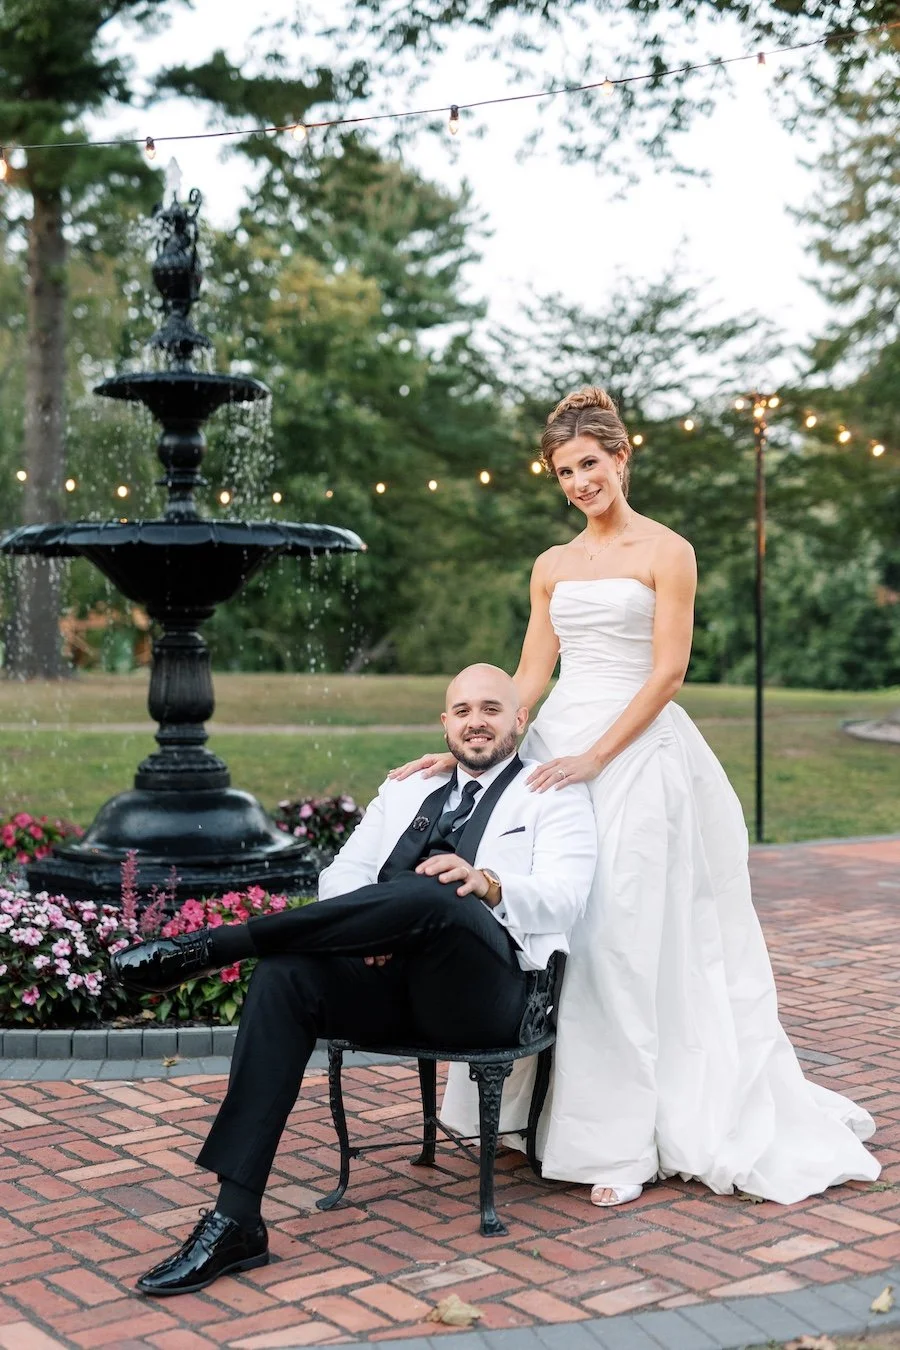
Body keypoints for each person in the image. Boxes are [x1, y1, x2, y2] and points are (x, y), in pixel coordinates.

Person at [392, 386, 880, 1210]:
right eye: (563, 472)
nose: (579, 482)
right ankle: (527, 1117)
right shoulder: (551, 565)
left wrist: (596, 757)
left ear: (622, 458)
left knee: (618, 936)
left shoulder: (668, 551)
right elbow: (529, 677)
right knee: (542, 927)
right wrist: (469, 745)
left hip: (635, 754)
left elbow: (668, 672)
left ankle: (617, 1141)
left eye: (590, 464)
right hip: (555, 752)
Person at [112, 663, 597, 1297]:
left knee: (439, 891)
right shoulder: (405, 789)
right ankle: (235, 1218)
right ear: (445, 722)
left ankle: (215, 947)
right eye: (462, 710)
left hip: (484, 995)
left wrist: (487, 882)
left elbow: (567, 898)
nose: (477, 721)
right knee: (285, 975)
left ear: (519, 720)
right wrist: (366, 936)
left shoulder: (549, 790)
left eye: (492, 709)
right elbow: (342, 876)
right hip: (390, 989)